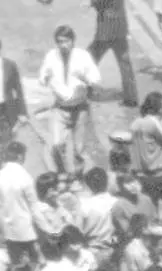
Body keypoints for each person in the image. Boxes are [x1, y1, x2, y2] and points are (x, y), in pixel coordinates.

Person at [39, 25, 102, 175]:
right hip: (60, 108)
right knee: (56, 144)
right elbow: (43, 74)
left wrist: (85, 78)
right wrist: (45, 78)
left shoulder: (83, 56)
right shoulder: (51, 56)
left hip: (80, 108)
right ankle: (61, 174)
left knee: (78, 148)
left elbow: (96, 79)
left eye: (66, 41)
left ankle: (78, 177)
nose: (63, 45)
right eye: (60, 42)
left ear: (73, 41)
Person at [87, 0, 138, 108]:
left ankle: (84, 90)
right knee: (125, 65)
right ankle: (131, 98)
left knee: (89, 58)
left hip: (106, 28)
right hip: (120, 26)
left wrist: (92, 3)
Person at [0, 141, 39, 269]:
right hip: (28, 232)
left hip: (9, 233)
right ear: (20, 156)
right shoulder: (25, 177)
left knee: (17, 269)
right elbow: (35, 208)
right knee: (34, 267)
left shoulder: (1, 176)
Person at [0, 40, 28, 148]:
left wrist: (22, 112)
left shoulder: (10, 65)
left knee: (7, 144)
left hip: (6, 110)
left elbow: (18, 89)